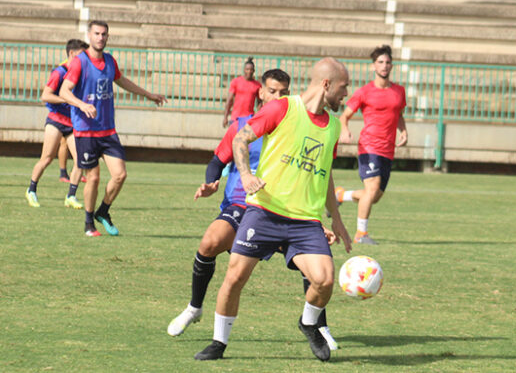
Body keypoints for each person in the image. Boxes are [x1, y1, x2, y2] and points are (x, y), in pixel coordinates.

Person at [167, 68, 339, 350]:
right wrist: (211, 182)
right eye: (272, 91)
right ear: (260, 92)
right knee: (210, 242)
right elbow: (218, 159)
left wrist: (320, 219)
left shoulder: (293, 118)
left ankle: (320, 326)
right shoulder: (244, 125)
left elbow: (312, 177)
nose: (278, 96)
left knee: (316, 268)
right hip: (243, 205)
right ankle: (194, 308)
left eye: (283, 92)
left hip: (284, 208)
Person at [59, 20, 167, 237]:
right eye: (97, 33)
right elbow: (64, 91)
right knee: (94, 178)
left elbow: (122, 81)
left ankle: (103, 211)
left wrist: (148, 94)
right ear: (89, 36)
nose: (101, 37)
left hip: (107, 130)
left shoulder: (110, 61)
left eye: (104, 34)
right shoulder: (80, 62)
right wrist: (82, 104)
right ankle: (89, 223)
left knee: (120, 175)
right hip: (85, 131)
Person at [336, 44, 408, 244]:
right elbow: (345, 115)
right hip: (369, 147)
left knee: (374, 196)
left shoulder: (399, 91)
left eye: (387, 62)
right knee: (372, 188)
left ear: (392, 65)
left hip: (388, 149)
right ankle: (361, 234)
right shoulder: (364, 92)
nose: (384, 66)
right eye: (380, 62)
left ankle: (341, 195)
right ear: (373, 66)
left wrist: (403, 130)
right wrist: (344, 129)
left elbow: (398, 114)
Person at [26, 39, 90, 209]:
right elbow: (45, 95)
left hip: (73, 123)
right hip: (56, 120)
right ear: (72, 54)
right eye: (82, 54)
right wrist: (68, 99)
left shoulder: (80, 73)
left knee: (80, 161)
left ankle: (71, 195)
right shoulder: (60, 72)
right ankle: (31, 190)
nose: (85, 58)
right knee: (46, 158)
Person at [222, 57, 261, 128]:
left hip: (249, 118)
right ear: (244, 70)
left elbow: (260, 102)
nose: (249, 71)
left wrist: (258, 116)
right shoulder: (236, 82)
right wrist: (225, 117)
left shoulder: (257, 85)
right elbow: (229, 100)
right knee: (234, 138)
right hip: (235, 118)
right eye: (247, 69)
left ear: (254, 70)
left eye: (251, 69)